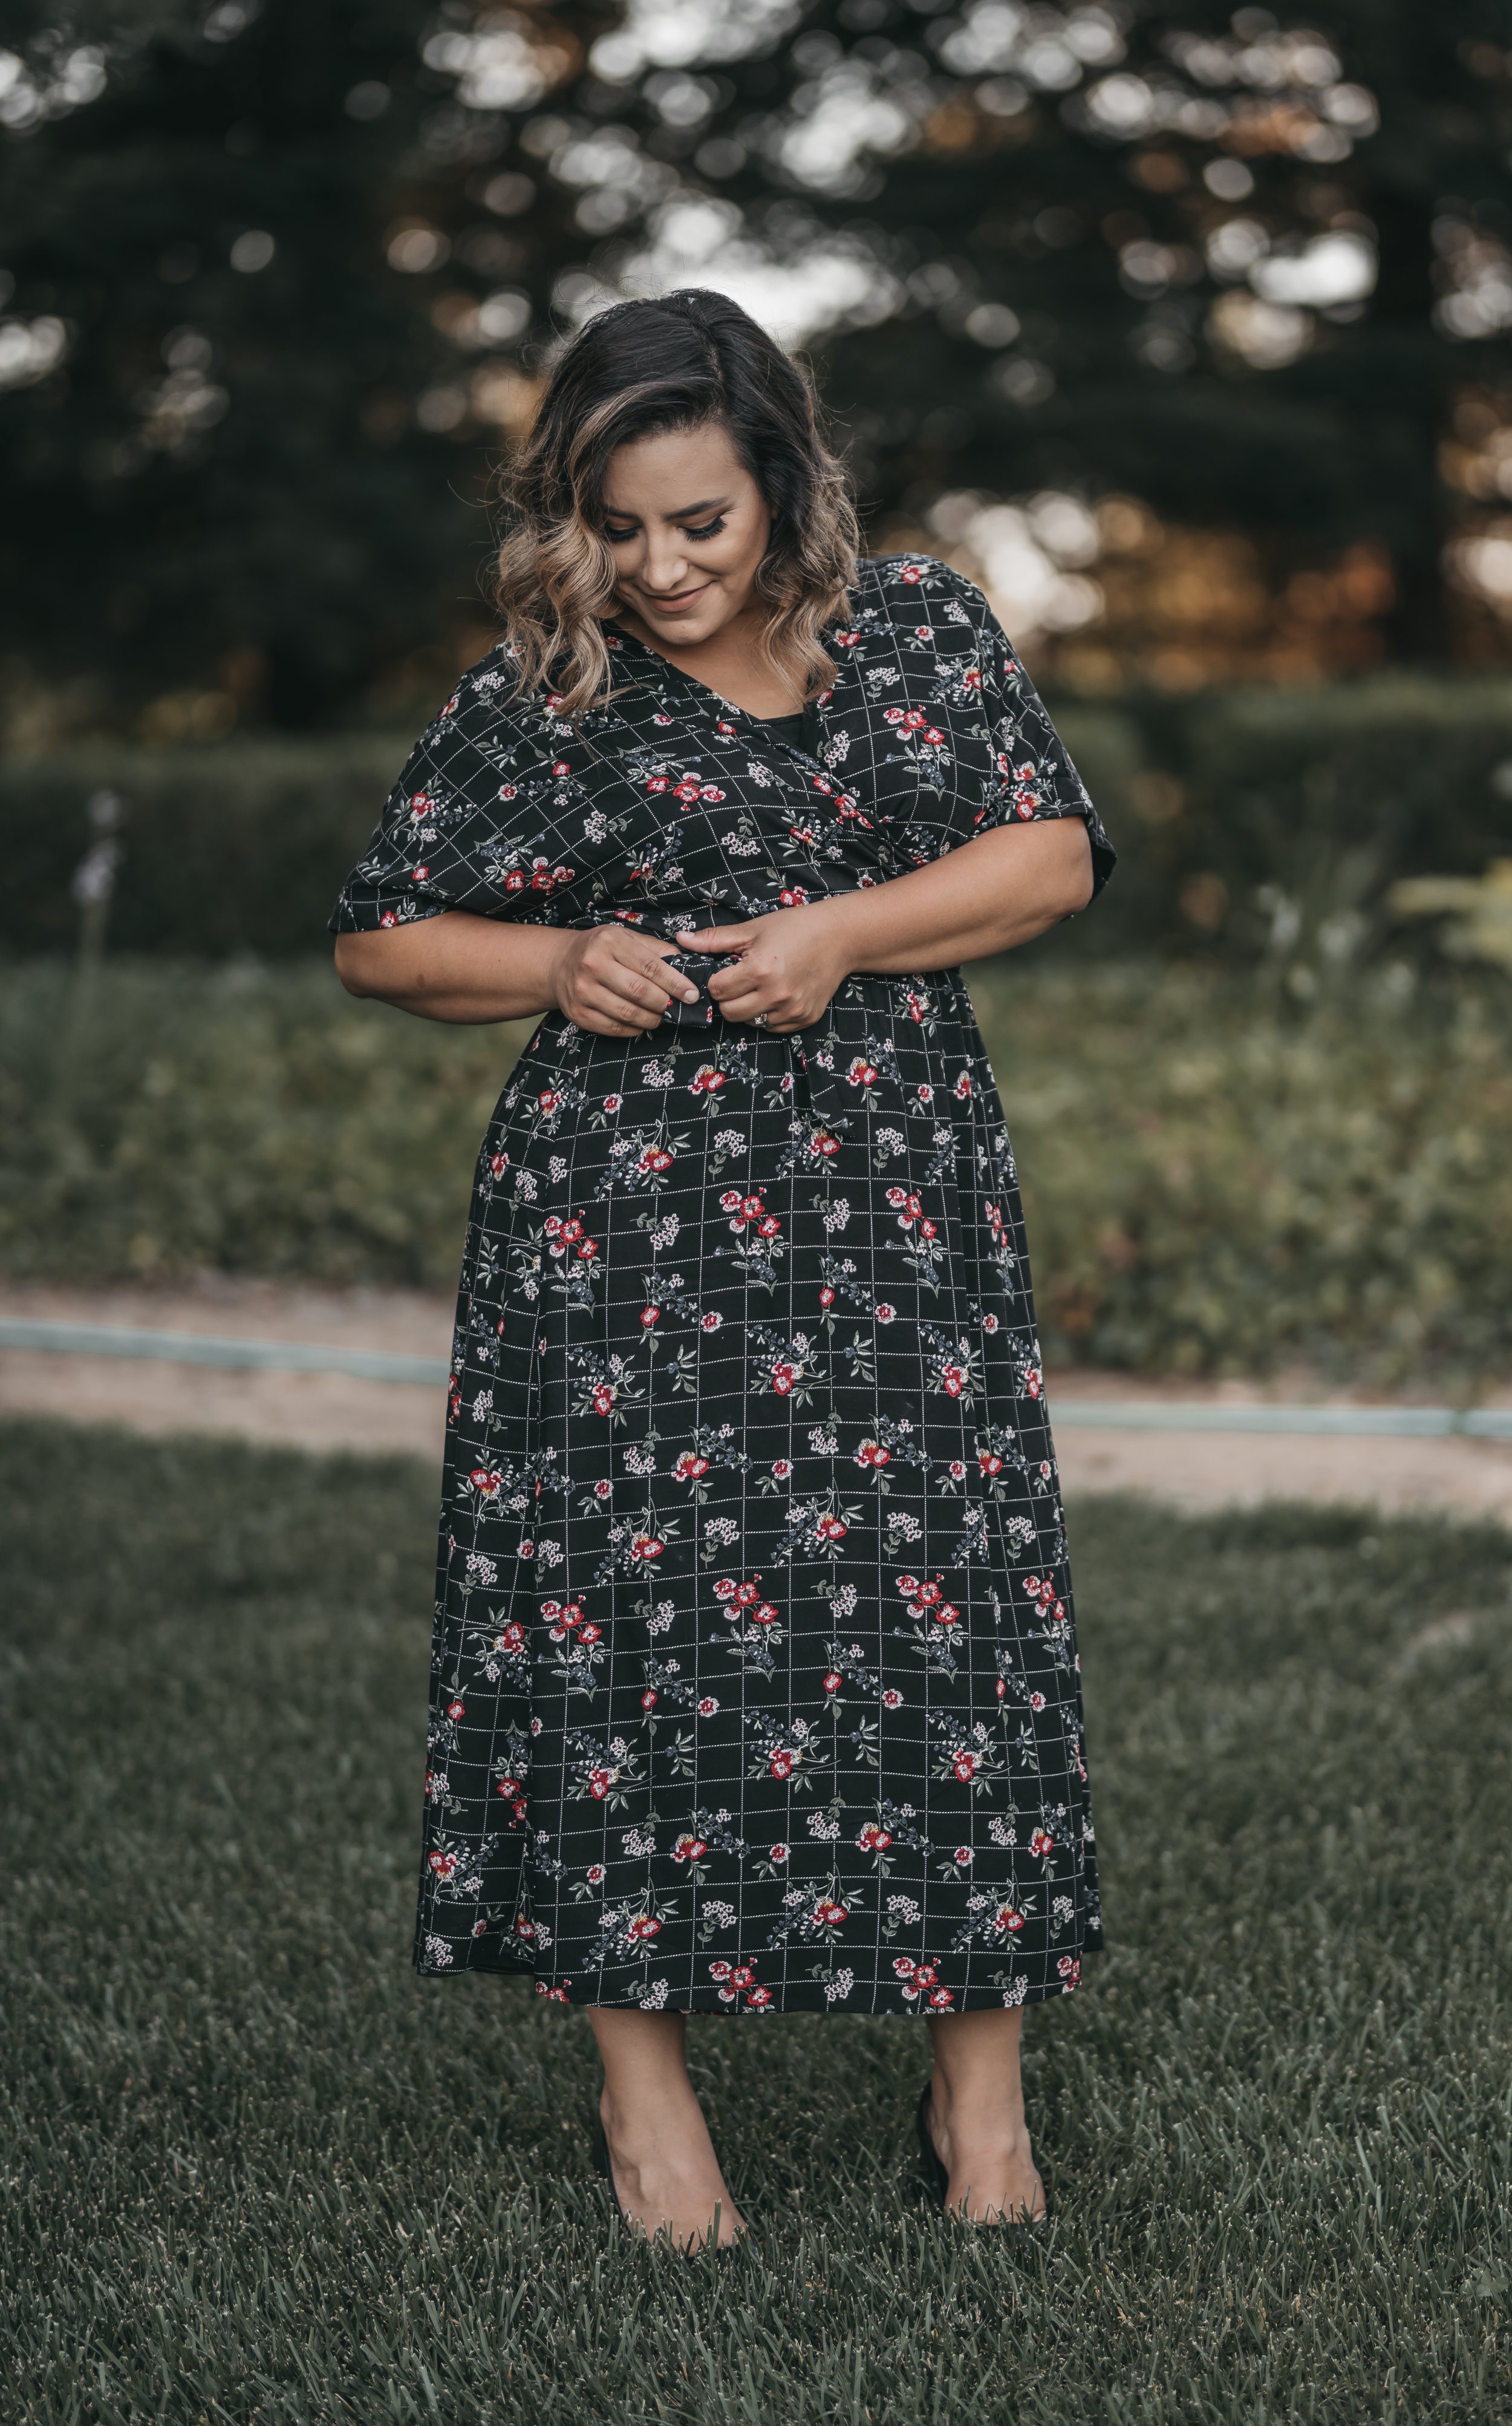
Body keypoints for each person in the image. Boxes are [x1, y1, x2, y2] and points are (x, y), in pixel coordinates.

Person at [332, 288, 1115, 2249]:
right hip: (620, 1245)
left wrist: (842, 931)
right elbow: (378, 934)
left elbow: (1048, 857)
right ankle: (646, 2103)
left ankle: (982, 2100)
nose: (661, 568)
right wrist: (548, 958)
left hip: (894, 1213)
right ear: (569, 518)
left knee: (944, 1618)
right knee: (624, 1628)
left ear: (782, 484)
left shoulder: (916, 627)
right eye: (620, 527)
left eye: (701, 521)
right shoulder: (548, 687)